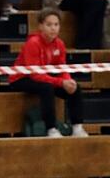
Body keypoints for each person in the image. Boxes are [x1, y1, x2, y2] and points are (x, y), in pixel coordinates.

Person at [9, 8, 88, 138]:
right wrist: (60, 82)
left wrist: (67, 80)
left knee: (75, 88)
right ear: (41, 26)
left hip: (45, 77)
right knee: (46, 88)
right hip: (21, 78)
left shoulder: (59, 44)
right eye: (49, 25)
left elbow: (62, 68)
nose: (53, 28)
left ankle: (77, 127)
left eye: (56, 25)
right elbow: (34, 74)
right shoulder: (33, 43)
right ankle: (51, 129)